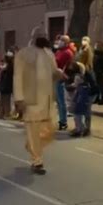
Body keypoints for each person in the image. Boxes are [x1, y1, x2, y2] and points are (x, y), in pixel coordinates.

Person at [13, 28, 65, 175]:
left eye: (45, 36)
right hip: (31, 101)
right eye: (40, 36)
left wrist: (58, 74)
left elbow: (53, 73)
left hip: (47, 101)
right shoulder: (23, 54)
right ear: (34, 37)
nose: (43, 37)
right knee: (34, 132)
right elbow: (18, 77)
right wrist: (19, 99)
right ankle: (37, 161)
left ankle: (31, 146)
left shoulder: (49, 53)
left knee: (50, 130)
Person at [55, 35, 74, 130]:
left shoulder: (67, 52)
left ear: (66, 42)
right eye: (59, 40)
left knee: (62, 101)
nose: (59, 42)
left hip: (62, 78)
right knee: (58, 101)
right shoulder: (59, 51)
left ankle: (63, 121)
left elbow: (60, 63)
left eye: (62, 40)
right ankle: (61, 119)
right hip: (56, 77)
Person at [0, 51, 14, 119]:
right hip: (5, 85)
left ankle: (6, 113)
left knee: (5, 100)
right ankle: (2, 113)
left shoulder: (10, 66)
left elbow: (8, 75)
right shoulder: (8, 65)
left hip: (7, 85)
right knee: (3, 99)